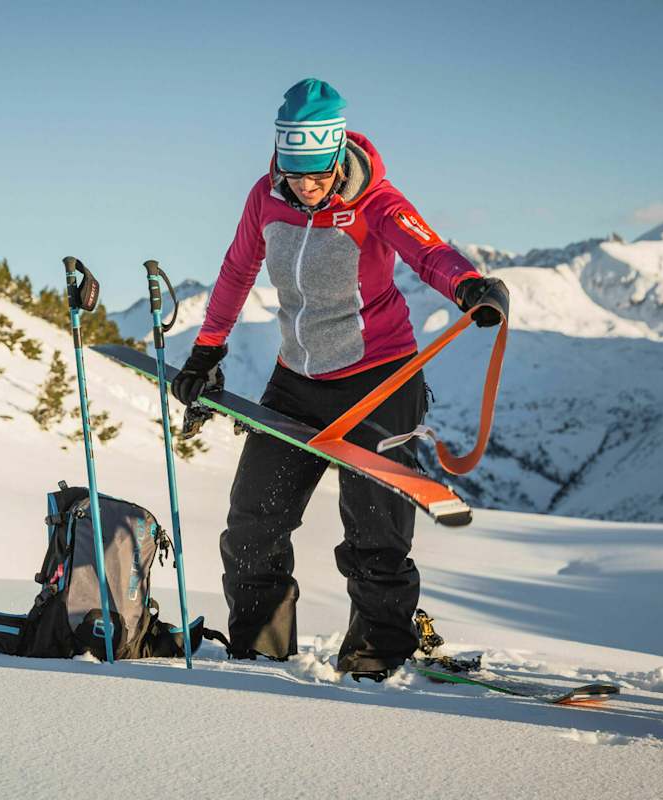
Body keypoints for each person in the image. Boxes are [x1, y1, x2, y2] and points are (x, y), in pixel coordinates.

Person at [171, 78, 507, 678]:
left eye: (317, 174)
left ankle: (377, 657)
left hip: (379, 382)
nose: (305, 186)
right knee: (253, 521)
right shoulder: (266, 197)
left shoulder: (377, 200)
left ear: (336, 155)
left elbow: (427, 251)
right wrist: (206, 350)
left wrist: (469, 286)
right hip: (296, 380)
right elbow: (237, 269)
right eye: (294, 172)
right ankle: (259, 648)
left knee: (376, 534)